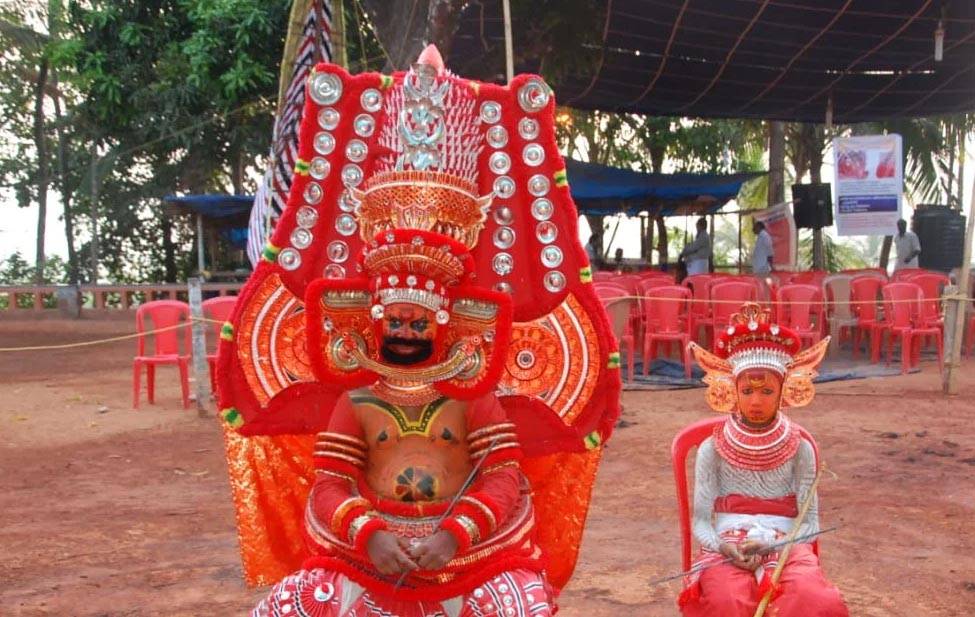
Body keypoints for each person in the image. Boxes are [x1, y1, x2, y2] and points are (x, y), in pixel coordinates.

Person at [214, 46, 621, 617]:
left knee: (521, 606)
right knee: (290, 605)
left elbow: (503, 479)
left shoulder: (471, 392)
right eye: (397, 320)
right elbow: (329, 483)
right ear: (374, 321)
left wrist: (452, 535)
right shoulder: (357, 397)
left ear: (444, 323)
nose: (406, 331)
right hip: (368, 553)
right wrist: (369, 537)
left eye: (418, 321)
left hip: (471, 556)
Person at [679, 303, 848, 617]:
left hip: (787, 546)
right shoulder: (711, 449)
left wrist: (776, 545)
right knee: (725, 602)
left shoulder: (800, 447)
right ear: (733, 390)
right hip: (728, 546)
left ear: (784, 391)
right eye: (748, 390)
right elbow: (701, 521)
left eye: (767, 391)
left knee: (812, 600)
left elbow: (810, 523)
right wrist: (721, 546)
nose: (756, 401)